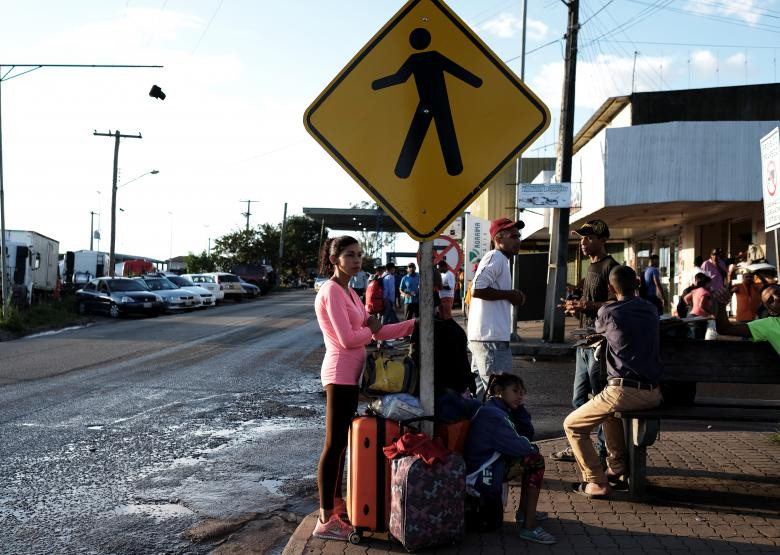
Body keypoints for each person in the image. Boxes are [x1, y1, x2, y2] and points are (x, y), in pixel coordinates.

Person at [313, 237, 415, 541]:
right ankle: (325, 520)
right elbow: (348, 338)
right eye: (349, 255)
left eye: (359, 255)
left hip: (351, 375)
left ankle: (334, 506)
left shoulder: (350, 292)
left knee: (342, 445)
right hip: (339, 372)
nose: (356, 260)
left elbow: (376, 329)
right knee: (334, 446)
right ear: (334, 259)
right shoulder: (331, 291)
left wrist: (414, 325)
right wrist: (370, 329)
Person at [564, 265, 662, 498]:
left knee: (573, 425)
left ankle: (596, 482)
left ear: (610, 288)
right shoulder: (650, 309)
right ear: (637, 283)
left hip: (624, 392)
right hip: (654, 393)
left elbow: (602, 328)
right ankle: (617, 468)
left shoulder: (608, 312)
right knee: (606, 412)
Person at [551, 219, 619, 463]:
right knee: (579, 399)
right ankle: (581, 447)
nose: (582, 242)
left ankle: (601, 451)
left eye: (588, 237)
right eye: (581, 237)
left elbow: (617, 303)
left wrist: (587, 305)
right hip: (584, 342)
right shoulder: (591, 267)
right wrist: (576, 306)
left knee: (599, 400)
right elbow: (589, 303)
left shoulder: (611, 267)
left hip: (600, 344)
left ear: (602, 240)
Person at [464, 374, 556, 545]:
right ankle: (529, 527)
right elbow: (521, 447)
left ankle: (524, 513)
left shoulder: (499, 410)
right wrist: (532, 448)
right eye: (515, 391)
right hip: (480, 475)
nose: (520, 396)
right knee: (535, 460)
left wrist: (520, 410)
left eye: (522, 393)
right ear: (499, 391)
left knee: (531, 460)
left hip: (491, 466)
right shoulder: (494, 416)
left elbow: (526, 434)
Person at [467, 218, 527, 399]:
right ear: (499, 239)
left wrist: (512, 295)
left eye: (519, 236)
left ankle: (479, 427)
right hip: (491, 341)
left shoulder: (500, 259)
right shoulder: (496, 256)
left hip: (485, 339)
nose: (518, 240)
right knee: (499, 397)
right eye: (513, 236)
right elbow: (477, 289)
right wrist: (510, 295)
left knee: (481, 398)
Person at [714, 283, 780, 355]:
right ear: (772, 312)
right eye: (771, 301)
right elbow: (724, 329)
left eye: (778, 292)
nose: (776, 297)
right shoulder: (769, 325)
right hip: (743, 318)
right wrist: (721, 304)